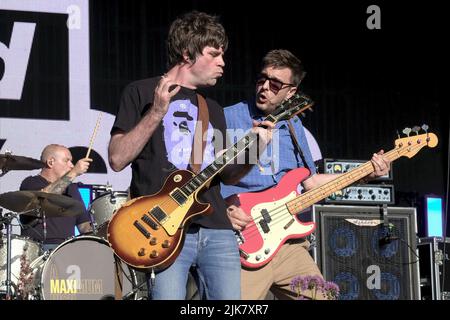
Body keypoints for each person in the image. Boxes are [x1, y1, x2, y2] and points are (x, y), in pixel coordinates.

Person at [108, 11, 273, 300]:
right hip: (163, 230)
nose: (223, 63)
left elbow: (227, 174)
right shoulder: (140, 92)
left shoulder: (213, 108)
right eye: (214, 54)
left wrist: (256, 148)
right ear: (187, 53)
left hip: (217, 228)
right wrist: (157, 112)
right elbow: (117, 158)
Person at [220, 49, 391, 300]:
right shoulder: (229, 117)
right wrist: (223, 208)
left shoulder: (293, 125)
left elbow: (310, 182)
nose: (264, 87)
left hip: (289, 247)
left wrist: (365, 173)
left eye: (275, 83)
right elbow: (205, 175)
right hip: (245, 241)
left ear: (291, 92)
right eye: (261, 79)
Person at [20, 144, 93, 251]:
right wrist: (74, 172)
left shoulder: (72, 189)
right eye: (66, 160)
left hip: (67, 249)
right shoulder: (30, 183)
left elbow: (84, 226)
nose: (72, 165)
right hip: (38, 249)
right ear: (51, 162)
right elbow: (45, 198)